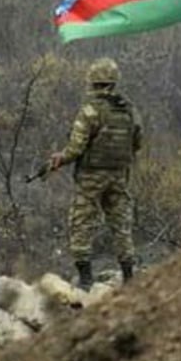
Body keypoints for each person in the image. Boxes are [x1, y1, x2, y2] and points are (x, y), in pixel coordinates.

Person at [49, 58, 143, 291]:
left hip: (91, 176)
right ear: (113, 82)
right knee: (121, 224)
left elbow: (76, 147)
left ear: (92, 82)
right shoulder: (129, 110)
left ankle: (85, 278)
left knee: (81, 222)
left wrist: (60, 159)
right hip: (119, 175)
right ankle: (129, 276)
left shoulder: (90, 111)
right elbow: (137, 142)